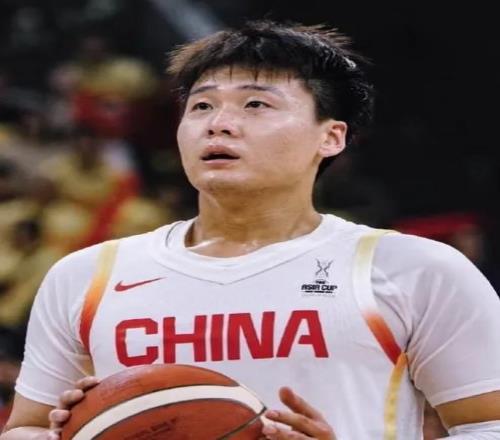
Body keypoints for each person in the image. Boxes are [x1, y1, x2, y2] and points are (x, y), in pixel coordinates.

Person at [2, 20, 500, 440]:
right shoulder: (87, 274)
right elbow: (24, 429)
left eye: (255, 104)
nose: (218, 123)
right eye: (201, 106)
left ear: (331, 137)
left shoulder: (413, 269)